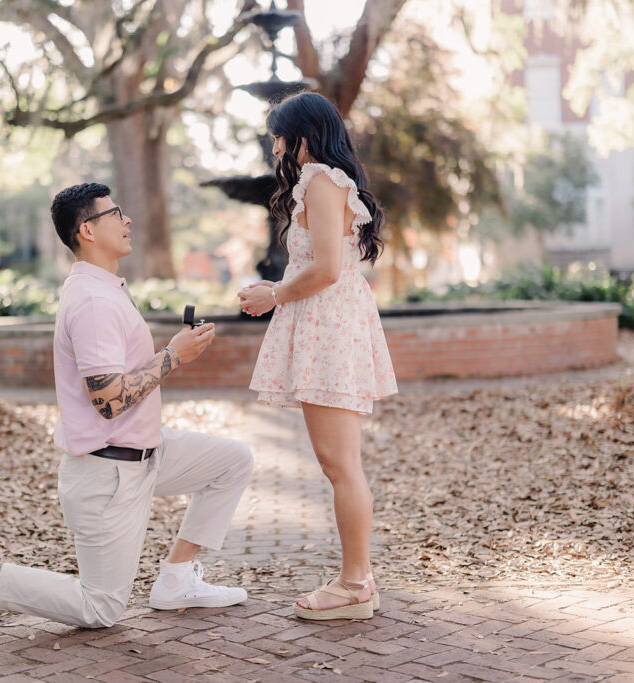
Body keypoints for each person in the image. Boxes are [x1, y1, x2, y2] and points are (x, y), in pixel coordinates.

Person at [0, 182, 253, 629]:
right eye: (115, 213)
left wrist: (173, 353)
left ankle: (176, 579)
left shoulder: (105, 288)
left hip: (148, 454)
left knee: (231, 461)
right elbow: (107, 399)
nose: (127, 220)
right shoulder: (92, 301)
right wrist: (174, 355)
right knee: (101, 608)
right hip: (108, 476)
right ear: (87, 230)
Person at [238, 92, 397, 621]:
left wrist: (274, 294)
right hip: (329, 324)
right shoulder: (325, 182)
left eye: (280, 136)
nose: (276, 147)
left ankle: (355, 585)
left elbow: (328, 268)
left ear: (305, 136)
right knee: (339, 463)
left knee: (340, 465)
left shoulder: (322, 182)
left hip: (328, 328)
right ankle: (358, 578)